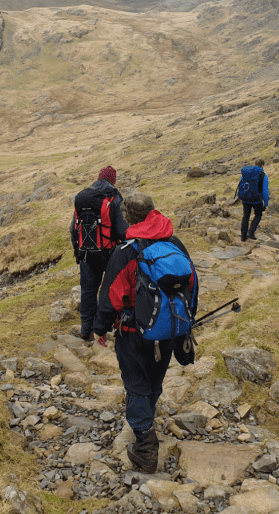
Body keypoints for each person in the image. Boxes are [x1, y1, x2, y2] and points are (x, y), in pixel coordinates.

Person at [92, 193, 198, 473]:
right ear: (153, 211)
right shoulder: (174, 243)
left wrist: (99, 328)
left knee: (136, 383)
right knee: (154, 380)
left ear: (127, 217)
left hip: (134, 332)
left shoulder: (126, 250)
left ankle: (145, 446)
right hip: (170, 329)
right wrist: (187, 322)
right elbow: (192, 283)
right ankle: (147, 417)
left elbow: (111, 295)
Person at [69, 166, 129, 342]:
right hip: (109, 254)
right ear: (113, 180)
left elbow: (73, 229)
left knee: (88, 291)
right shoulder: (114, 197)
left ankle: (86, 330)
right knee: (111, 289)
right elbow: (121, 230)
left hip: (86, 254)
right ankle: (108, 327)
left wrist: (77, 252)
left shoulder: (82, 197)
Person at [237, 158, 269, 242]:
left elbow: (241, 184)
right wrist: (266, 204)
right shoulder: (263, 175)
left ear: (255, 164)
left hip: (246, 198)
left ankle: (243, 236)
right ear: (262, 165)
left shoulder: (247, 173)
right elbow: (265, 191)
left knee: (246, 216)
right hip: (256, 199)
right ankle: (251, 232)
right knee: (258, 215)